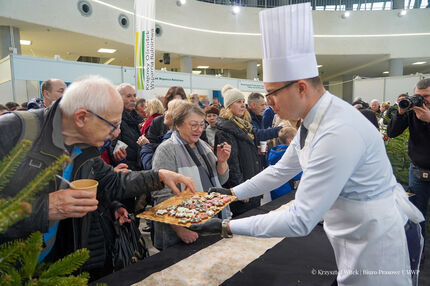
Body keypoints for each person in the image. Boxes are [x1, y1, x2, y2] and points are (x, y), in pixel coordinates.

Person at [192, 4, 423, 286]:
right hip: (354, 235)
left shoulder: (337, 130)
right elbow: (281, 170)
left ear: (301, 87)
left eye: (272, 93)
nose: (268, 103)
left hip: (377, 241)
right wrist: (230, 192)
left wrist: (226, 225)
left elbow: (300, 219)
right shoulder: (311, 120)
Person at [0, 76, 196, 277]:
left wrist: (158, 176)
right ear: (82, 118)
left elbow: (111, 182)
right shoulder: (11, 131)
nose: (114, 133)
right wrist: (44, 208)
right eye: (111, 125)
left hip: (60, 270)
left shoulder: (84, 147)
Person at [151, 102, 231, 250]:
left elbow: (221, 181)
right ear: (179, 125)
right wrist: (180, 229)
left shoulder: (204, 146)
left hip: (207, 222)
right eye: (194, 125)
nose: (199, 130)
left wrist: (222, 162)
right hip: (181, 231)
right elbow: (161, 195)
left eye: (202, 125)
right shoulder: (166, 150)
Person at [214, 85, 279, 217]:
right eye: (239, 102)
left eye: (243, 102)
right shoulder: (225, 130)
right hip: (242, 190)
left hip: (251, 182)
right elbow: (232, 164)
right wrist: (240, 190)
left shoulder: (244, 125)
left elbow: (256, 138)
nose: (243, 105)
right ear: (229, 106)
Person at [387, 78, 430, 262]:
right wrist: (402, 111)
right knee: (416, 216)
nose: (422, 101)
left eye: (426, 96)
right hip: (418, 172)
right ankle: (417, 252)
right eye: (418, 97)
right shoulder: (412, 111)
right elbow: (392, 132)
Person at [268, 126, 301, 200]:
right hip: (287, 191)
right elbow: (295, 173)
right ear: (290, 141)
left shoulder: (274, 152)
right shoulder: (288, 155)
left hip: (275, 191)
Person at [115, 83, 143, 171]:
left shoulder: (134, 119)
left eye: (134, 96)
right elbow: (114, 151)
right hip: (125, 170)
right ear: (118, 98)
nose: (133, 99)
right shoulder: (116, 120)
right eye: (128, 96)